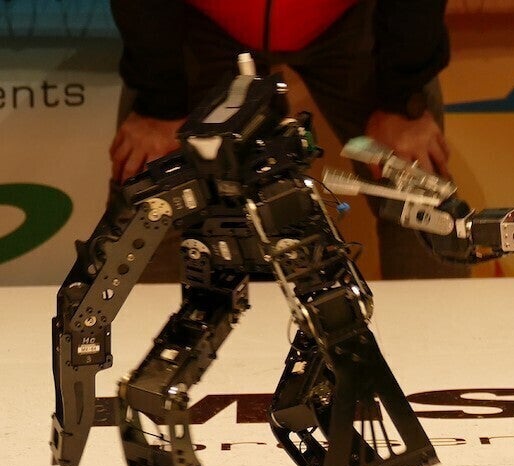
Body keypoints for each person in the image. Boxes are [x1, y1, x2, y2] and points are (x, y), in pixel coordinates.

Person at [109, 0, 467, 279]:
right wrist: (160, 105)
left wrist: (402, 100)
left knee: (415, 184)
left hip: (350, 16)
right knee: (154, 187)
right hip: (203, 20)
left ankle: (441, 345)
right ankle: (133, 342)